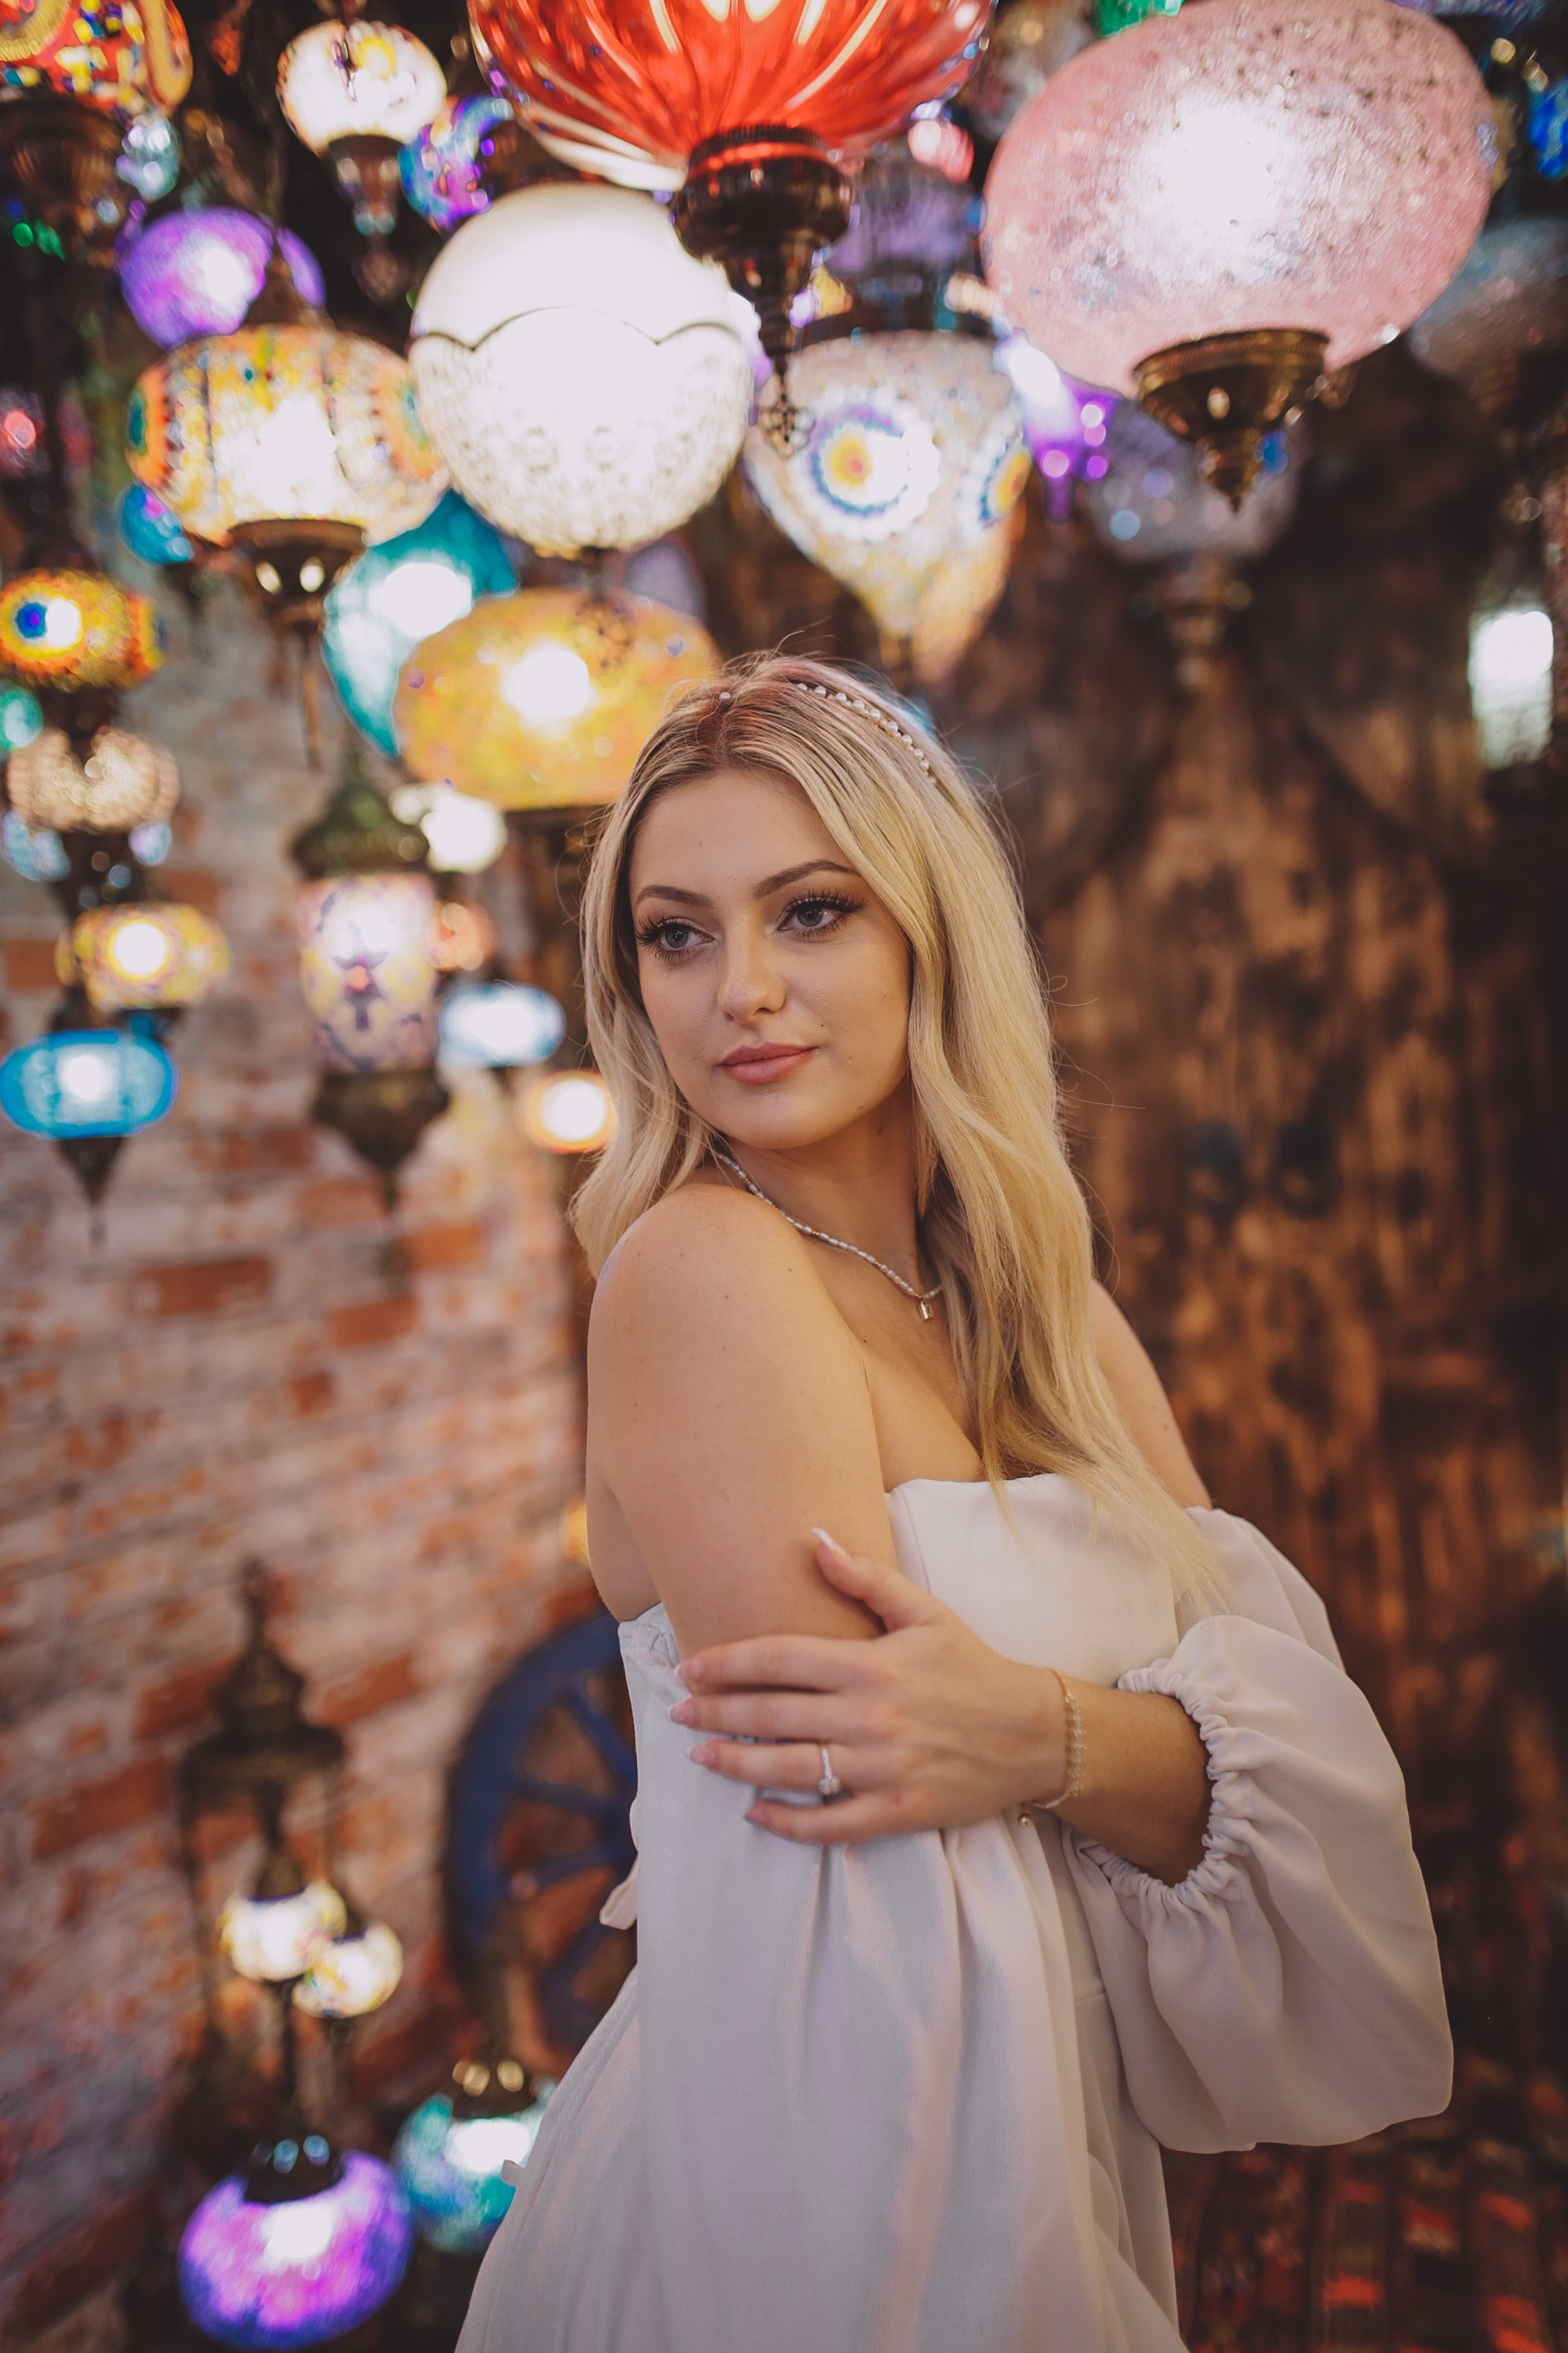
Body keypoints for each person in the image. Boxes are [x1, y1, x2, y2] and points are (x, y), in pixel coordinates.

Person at [459, 655, 1451, 2353]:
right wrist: (1116, 1749)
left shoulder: (1046, 1306)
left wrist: (1040, 1736)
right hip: (831, 2193)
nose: (738, 993)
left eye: (811, 912)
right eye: (674, 934)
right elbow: (872, 1889)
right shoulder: (700, 1267)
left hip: (1062, 2151)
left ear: (929, 929)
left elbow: (1297, 1756)